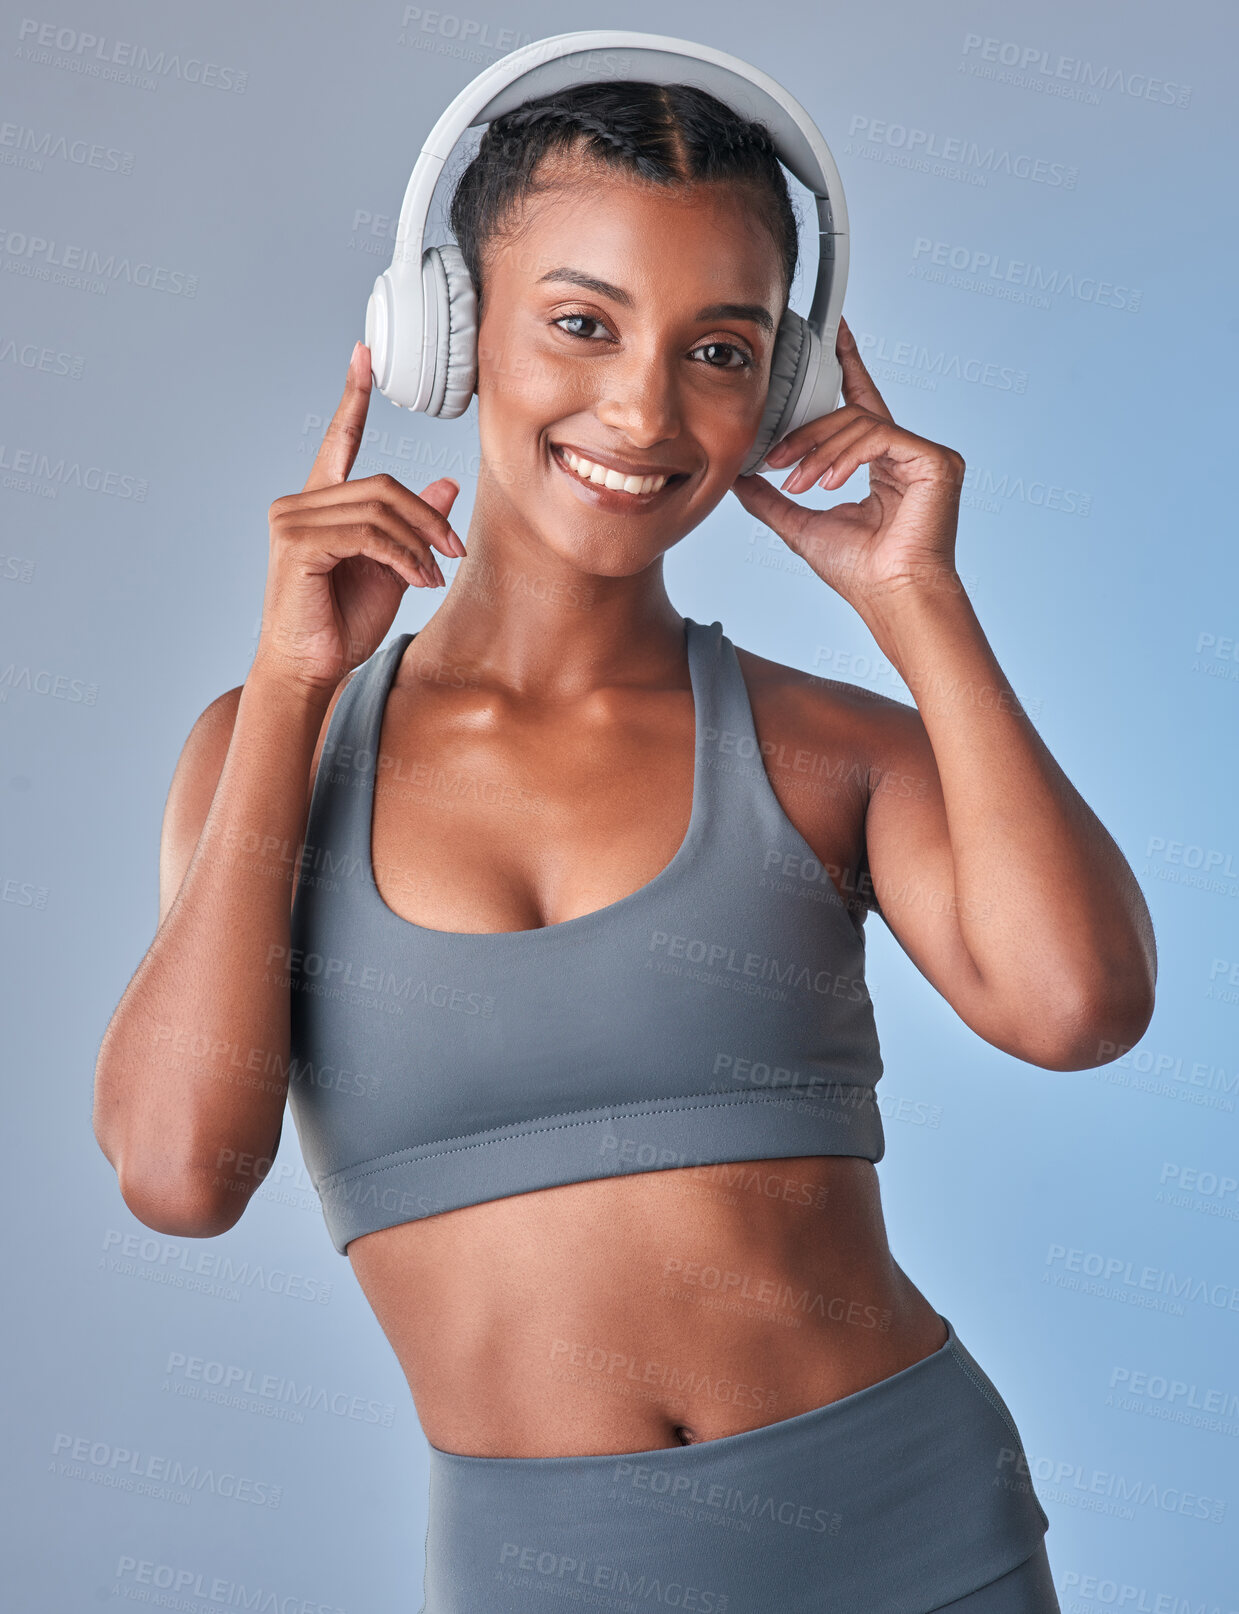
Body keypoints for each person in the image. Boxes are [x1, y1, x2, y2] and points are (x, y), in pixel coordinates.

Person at [93, 77, 1156, 1613]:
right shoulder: (274, 749)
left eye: (719, 351)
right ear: (445, 336)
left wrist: (918, 599)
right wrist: (289, 686)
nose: (646, 411)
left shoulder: (826, 749)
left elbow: (1079, 1009)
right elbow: (182, 1169)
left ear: (782, 384)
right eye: (581, 324)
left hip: (924, 1537)